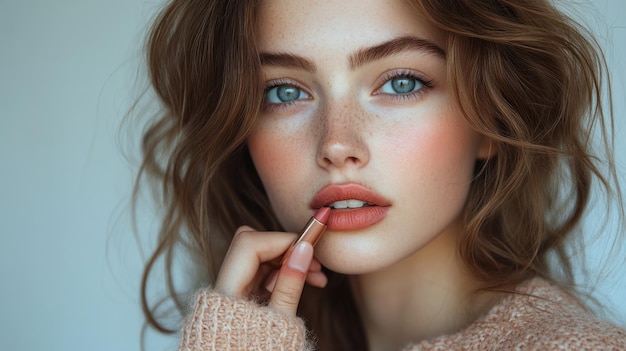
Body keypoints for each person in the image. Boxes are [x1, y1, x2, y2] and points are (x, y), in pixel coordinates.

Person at [134, 0, 626, 349]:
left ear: (492, 119)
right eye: (284, 92)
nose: (336, 145)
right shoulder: (255, 338)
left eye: (401, 82)